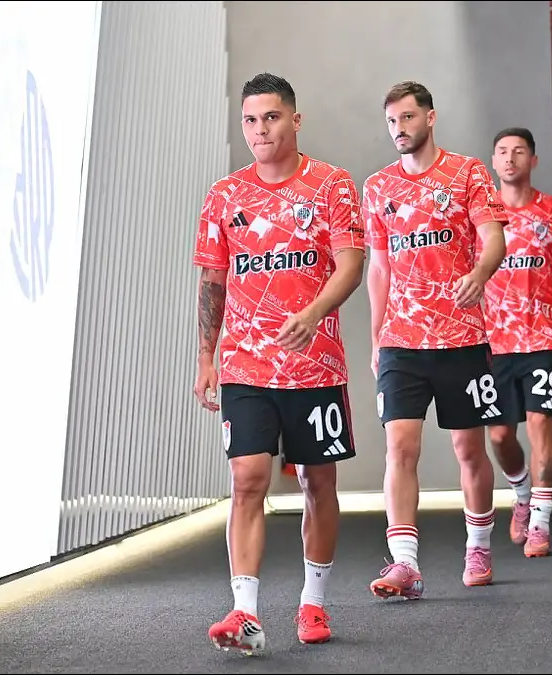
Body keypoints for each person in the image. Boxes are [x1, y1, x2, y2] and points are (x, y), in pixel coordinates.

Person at [193, 73, 366, 653]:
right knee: (247, 480)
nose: (260, 130)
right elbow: (213, 281)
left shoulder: (332, 184)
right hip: (245, 365)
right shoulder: (225, 195)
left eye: (270, 117)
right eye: (250, 120)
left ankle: (313, 603)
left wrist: (315, 312)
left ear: (295, 120)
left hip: (314, 365)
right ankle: (245, 613)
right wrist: (206, 358)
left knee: (318, 483)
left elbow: (350, 265)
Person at [362, 81, 508, 598]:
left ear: (430, 117)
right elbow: (378, 266)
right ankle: (405, 564)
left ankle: (479, 544)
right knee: (399, 446)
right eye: (391, 122)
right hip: (402, 339)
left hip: (462, 337)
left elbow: (493, 237)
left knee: (470, 449)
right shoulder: (378, 187)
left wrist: (480, 273)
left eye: (407, 118)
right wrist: (377, 337)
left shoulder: (467, 172)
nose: (399, 129)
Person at [482, 127, 552, 558]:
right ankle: (521, 493)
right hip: (492, 341)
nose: (509, 158)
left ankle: (541, 521)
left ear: (533, 161)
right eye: (502, 151)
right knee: (500, 435)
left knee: (540, 422)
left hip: (542, 336)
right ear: (493, 161)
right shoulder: (481, 216)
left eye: (519, 151)